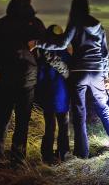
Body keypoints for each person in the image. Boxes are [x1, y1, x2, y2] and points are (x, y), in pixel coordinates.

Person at [29, 0, 109, 159]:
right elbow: (104, 53)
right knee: (102, 105)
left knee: (79, 114)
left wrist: (38, 43)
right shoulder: (99, 26)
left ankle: (82, 153)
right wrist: (106, 77)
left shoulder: (75, 23)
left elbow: (61, 44)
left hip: (79, 72)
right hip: (97, 72)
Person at [0, 0, 45, 162]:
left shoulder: (1, 24)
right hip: (28, 79)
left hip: (7, 77)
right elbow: (46, 48)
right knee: (22, 120)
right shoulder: (36, 24)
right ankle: (18, 158)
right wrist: (37, 65)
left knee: (3, 117)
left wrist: (2, 65)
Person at [35, 24, 72, 163]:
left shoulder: (43, 54)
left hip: (49, 96)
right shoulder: (67, 53)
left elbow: (40, 77)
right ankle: (64, 153)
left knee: (50, 127)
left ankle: (47, 156)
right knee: (64, 126)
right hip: (63, 96)